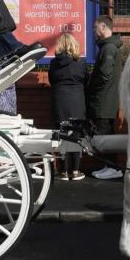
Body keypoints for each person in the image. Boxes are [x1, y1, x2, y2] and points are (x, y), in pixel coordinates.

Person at [87, 15, 124, 179]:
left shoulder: (108, 48)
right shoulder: (108, 47)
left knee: (104, 136)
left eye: (95, 27)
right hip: (106, 100)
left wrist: (92, 88)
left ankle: (113, 168)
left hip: (103, 101)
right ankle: (108, 166)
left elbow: (104, 75)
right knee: (105, 134)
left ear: (103, 27)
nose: (94, 31)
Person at [48, 33, 89, 180]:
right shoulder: (81, 63)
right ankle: (76, 171)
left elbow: (52, 80)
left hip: (60, 101)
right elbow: (86, 81)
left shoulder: (54, 63)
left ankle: (63, 171)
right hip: (77, 101)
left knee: (62, 135)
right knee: (76, 135)